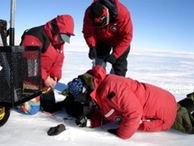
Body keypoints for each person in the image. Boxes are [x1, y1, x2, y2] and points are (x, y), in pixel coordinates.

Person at [62, 65, 177, 139]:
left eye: (81, 97)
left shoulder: (111, 88)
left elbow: (135, 114)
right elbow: (108, 113)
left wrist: (120, 134)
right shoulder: (98, 90)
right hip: (163, 98)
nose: (82, 101)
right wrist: (89, 122)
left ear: (86, 90)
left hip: (164, 114)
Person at [17, 14, 75, 115]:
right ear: (56, 29)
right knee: (31, 109)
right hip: (27, 78)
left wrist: (55, 76)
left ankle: (37, 96)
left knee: (50, 107)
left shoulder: (58, 42)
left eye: (66, 37)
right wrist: (46, 78)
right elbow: (28, 63)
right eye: (63, 36)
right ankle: (17, 98)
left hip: (43, 80)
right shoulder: (35, 35)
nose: (63, 41)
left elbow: (58, 61)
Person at [82, 0, 133, 76]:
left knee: (119, 67)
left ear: (107, 14)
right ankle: (97, 81)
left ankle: (115, 84)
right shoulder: (89, 13)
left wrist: (115, 55)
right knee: (98, 64)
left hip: (120, 42)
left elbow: (127, 37)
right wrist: (92, 46)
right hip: (102, 39)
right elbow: (88, 32)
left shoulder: (122, 13)